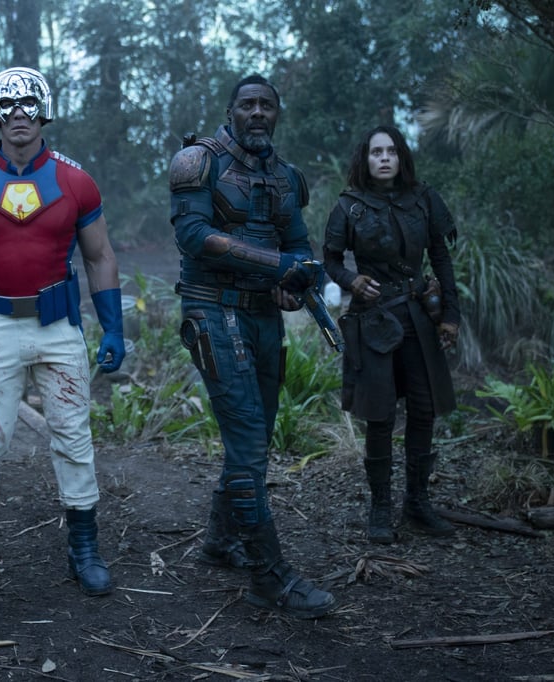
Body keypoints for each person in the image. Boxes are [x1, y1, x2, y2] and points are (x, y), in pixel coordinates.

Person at [0, 67, 125, 596]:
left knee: (73, 436)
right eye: (9, 105)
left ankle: (84, 547)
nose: (19, 114)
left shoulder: (75, 180)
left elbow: (100, 254)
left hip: (60, 327)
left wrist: (113, 327)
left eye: (29, 104)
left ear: (45, 111)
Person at [169, 74, 337, 619]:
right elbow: (194, 236)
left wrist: (295, 283)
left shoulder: (287, 177)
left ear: (277, 113)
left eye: (267, 105)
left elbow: (298, 244)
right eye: (248, 105)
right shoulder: (199, 162)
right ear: (231, 111)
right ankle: (269, 576)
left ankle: (221, 541)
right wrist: (278, 267)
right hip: (213, 310)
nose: (258, 113)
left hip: (264, 316)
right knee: (247, 440)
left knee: (256, 436)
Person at [322, 124, 460, 544]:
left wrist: (450, 315)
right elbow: (329, 258)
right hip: (373, 318)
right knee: (379, 415)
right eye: (376, 152)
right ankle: (380, 507)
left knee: (422, 409)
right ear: (365, 159)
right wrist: (351, 280)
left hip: (419, 314)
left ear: (401, 157)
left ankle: (417, 503)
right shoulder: (349, 206)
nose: (384, 158)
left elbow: (440, 257)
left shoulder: (424, 200)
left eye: (391, 151)